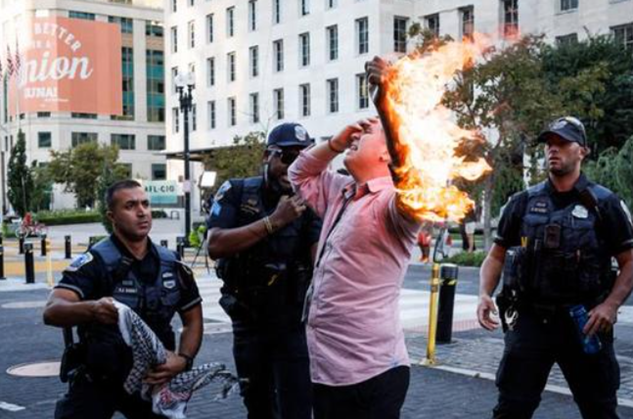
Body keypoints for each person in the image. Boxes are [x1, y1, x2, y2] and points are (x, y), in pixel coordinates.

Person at [287, 58, 423, 419]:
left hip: (372, 373)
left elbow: (412, 181)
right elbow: (298, 174)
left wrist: (387, 106)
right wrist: (334, 143)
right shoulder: (342, 190)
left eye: (369, 130)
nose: (358, 132)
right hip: (326, 369)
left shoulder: (393, 204)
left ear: (386, 152)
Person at [477, 116, 633, 419]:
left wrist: (611, 305)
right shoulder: (522, 202)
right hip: (531, 322)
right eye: (549, 143)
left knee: (599, 409)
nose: (553, 149)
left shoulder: (605, 203)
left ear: (583, 151)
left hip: (584, 322)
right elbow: (496, 255)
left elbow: (630, 262)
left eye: (563, 143)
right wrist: (484, 293)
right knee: (511, 408)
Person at [43, 180, 203, 419]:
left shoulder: (172, 264)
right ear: (112, 216)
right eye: (130, 206)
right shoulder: (95, 262)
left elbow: (193, 320)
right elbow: (52, 310)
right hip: (100, 379)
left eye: (145, 204)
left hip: (152, 380)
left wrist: (183, 360)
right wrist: (92, 309)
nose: (142, 212)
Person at [206, 122, 322, 419]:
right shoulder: (237, 191)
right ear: (267, 155)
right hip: (250, 322)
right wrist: (275, 221)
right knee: (258, 408)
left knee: (297, 409)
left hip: (292, 325)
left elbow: (321, 258)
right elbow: (216, 245)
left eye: (303, 158)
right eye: (287, 157)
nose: (293, 166)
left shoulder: (308, 202)